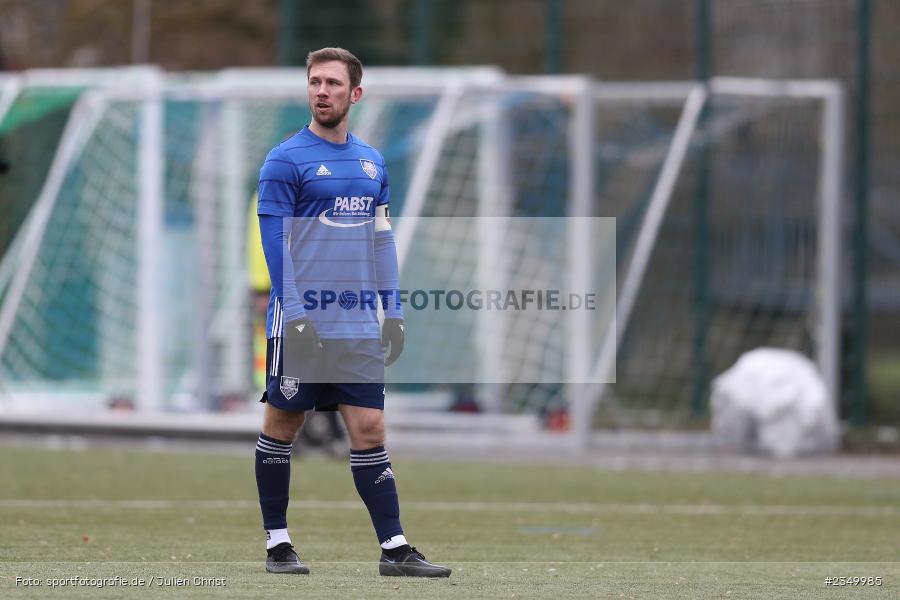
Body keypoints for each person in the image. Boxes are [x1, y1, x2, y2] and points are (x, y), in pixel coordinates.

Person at [254, 47, 451, 578]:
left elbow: (382, 241)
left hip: (357, 324)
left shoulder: (372, 163)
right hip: (302, 321)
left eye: (333, 84)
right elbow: (274, 243)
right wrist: (294, 314)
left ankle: (395, 549)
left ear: (354, 94)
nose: (322, 91)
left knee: (370, 428)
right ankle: (278, 544)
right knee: (283, 423)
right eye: (315, 82)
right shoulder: (284, 160)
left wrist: (394, 309)